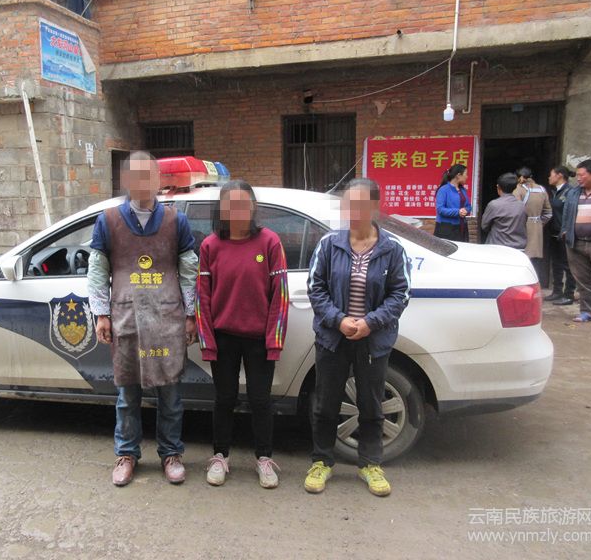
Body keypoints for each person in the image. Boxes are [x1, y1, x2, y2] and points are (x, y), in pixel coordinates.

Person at [87, 151, 198, 486]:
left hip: (167, 319)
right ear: (126, 180)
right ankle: (126, 454)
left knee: (171, 394)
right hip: (127, 318)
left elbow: (189, 270)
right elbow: (98, 270)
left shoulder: (175, 221)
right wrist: (101, 313)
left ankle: (171, 453)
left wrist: (190, 314)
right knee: (127, 395)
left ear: (157, 179)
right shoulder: (108, 220)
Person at [304, 178, 411, 497]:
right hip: (333, 338)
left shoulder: (392, 249)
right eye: (348, 204)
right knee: (326, 402)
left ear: (375, 207)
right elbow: (315, 288)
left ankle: (370, 464)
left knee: (371, 403)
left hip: (372, 340)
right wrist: (339, 320)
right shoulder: (329, 244)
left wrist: (369, 323)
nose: (353, 210)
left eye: (360, 204)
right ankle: (321, 461)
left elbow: (400, 294)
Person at [196, 180, 289, 489]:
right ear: (222, 209)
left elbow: (280, 295)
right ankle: (220, 456)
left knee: (261, 400)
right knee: (225, 399)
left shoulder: (270, 242)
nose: (236, 210)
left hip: (259, 338)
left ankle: (264, 458)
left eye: (242, 204)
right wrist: (207, 341)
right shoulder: (210, 246)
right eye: (230, 204)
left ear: (253, 207)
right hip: (223, 337)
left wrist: (274, 341)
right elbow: (202, 297)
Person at [560, 158, 591, 325]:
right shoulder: (573, 193)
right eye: (577, 175)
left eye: (582, 175)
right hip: (576, 242)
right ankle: (587, 311)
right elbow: (566, 214)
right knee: (583, 280)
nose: (578, 178)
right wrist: (565, 231)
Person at [513, 167, 552, 284]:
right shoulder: (541, 189)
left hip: (521, 227)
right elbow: (548, 213)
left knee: (521, 259)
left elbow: (515, 211)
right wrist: (538, 223)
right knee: (534, 261)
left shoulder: (518, 190)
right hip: (537, 228)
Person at [546, 166, 576, 305]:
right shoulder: (554, 192)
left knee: (568, 265)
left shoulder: (570, 192)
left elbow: (571, 213)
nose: (549, 177)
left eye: (551, 175)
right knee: (556, 263)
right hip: (553, 233)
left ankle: (569, 294)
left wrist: (566, 230)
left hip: (564, 234)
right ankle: (557, 291)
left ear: (559, 175)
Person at [481, 173, 528, 249]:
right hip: (518, 247)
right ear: (515, 188)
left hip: (498, 247)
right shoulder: (522, 205)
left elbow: (484, 226)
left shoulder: (494, 205)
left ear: (498, 187)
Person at [434, 164, 472, 242]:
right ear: (458, 175)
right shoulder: (443, 190)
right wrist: (458, 212)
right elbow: (440, 209)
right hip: (446, 228)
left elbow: (468, 206)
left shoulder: (462, 190)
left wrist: (466, 210)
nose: (467, 177)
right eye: (465, 174)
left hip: (462, 226)